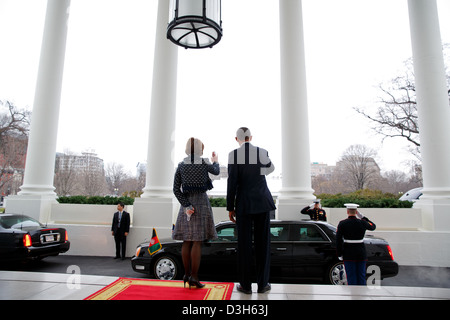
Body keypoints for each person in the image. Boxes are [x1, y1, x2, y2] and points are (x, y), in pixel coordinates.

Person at [227, 127, 276, 294]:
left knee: (244, 245)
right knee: (263, 244)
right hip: (262, 201)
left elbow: (232, 182)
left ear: (237, 139)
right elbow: (271, 168)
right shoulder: (262, 152)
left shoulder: (233, 155)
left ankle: (245, 286)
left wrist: (230, 207)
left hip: (244, 204)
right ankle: (263, 284)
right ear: (251, 137)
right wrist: (259, 173)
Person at [172, 137, 220, 289]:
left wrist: (186, 205)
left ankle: (186, 275)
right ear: (200, 150)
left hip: (186, 205)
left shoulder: (181, 165)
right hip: (201, 203)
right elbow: (217, 171)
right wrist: (215, 160)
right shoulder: (204, 162)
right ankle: (194, 276)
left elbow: (175, 189)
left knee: (187, 241)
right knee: (197, 242)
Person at [336, 203, 376, 285]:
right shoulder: (362, 222)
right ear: (356, 212)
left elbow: (338, 240)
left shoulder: (342, 223)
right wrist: (363, 218)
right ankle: (361, 295)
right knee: (361, 276)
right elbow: (373, 226)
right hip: (360, 252)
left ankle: (353, 295)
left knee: (351, 276)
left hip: (348, 252)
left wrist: (339, 254)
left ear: (347, 211)